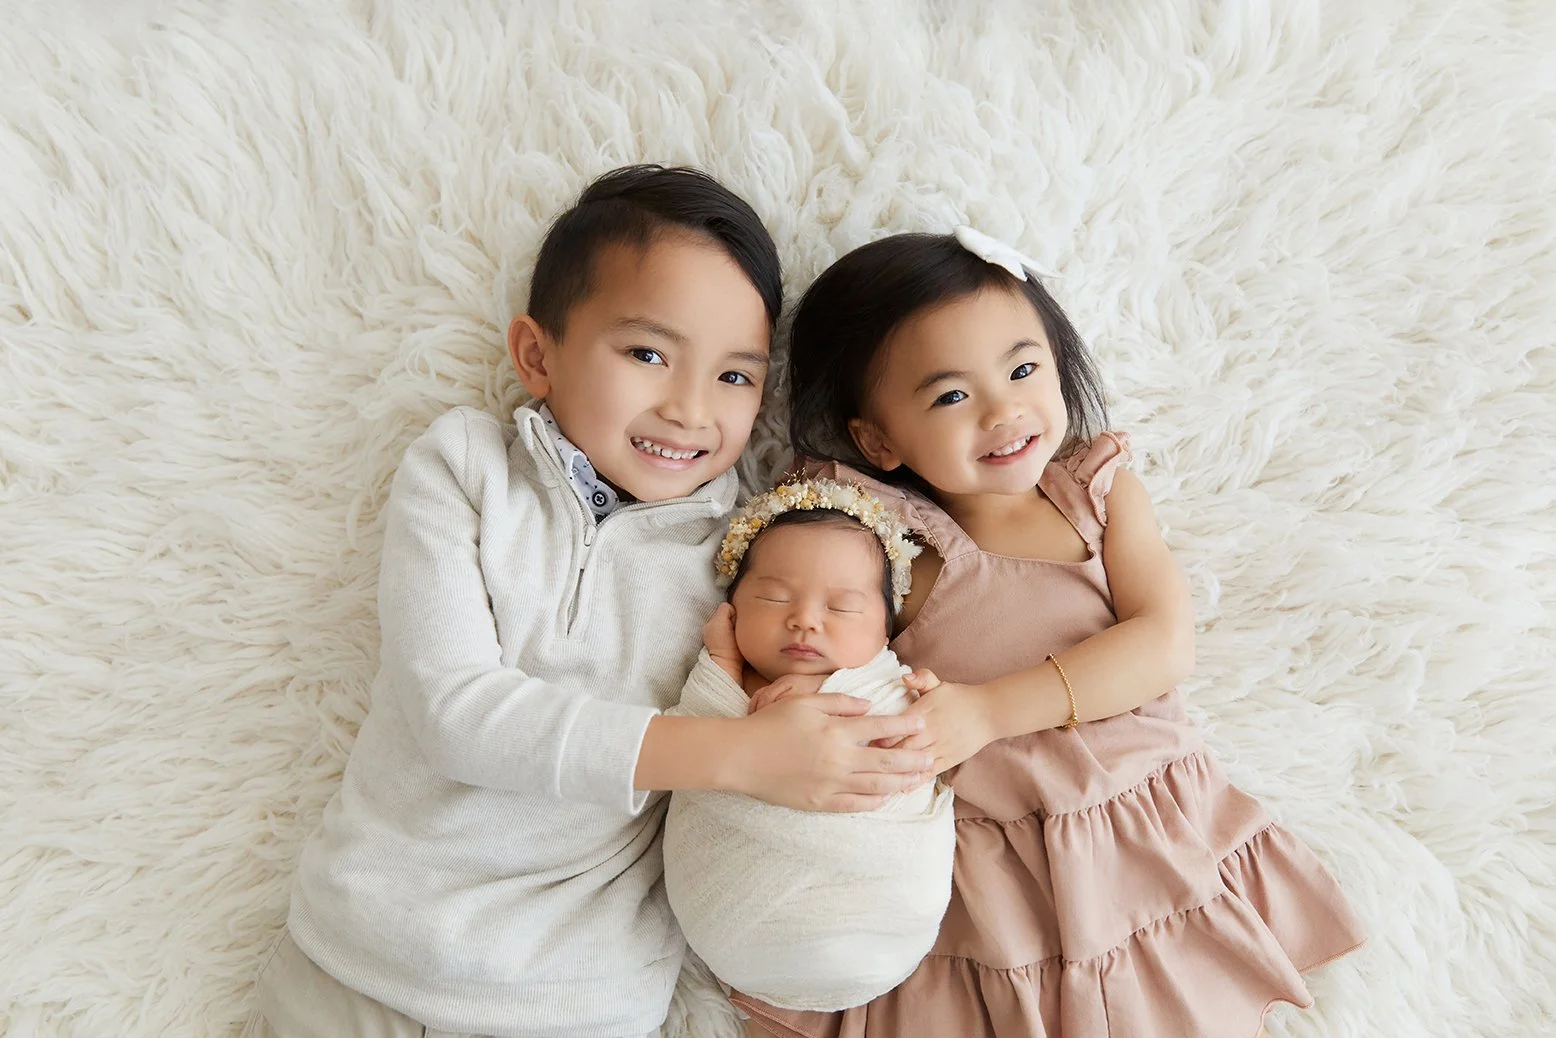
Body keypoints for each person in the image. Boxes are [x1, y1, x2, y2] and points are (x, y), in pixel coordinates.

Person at [247, 166, 931, 1038]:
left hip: (574, 1000)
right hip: (361, 963)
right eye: (648, 354)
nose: (689, 409)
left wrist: (900, 703)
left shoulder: (748, 554)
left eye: (734, 377)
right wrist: (737, 754)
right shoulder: (464, 471)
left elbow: (819, 674)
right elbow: (451, 710)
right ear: (538, 354)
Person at [735, 227, 1365, 1038]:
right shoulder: (880, 535)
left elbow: (1163, 643)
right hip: (991, 869)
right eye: (951, 396)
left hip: (1140, 831)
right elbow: (815, 643)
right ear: (878, 440)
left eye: (1024, 370)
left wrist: (990, 711)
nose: (1004, 411)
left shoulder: (1094, 497)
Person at [663, 482, 956, 1013]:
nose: (805, 619)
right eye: (774, 597)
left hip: (881, 909)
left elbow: (916, 757)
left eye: (842, 608)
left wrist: (909, 708)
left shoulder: (885, 685)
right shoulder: (722, 686)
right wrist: (725, 667)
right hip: (730, 920)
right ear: (731, 607)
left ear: (886, 632)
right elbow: (686, 744)